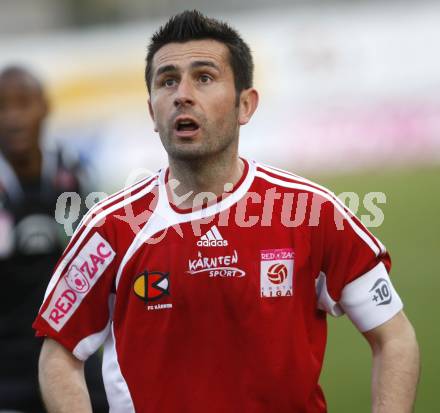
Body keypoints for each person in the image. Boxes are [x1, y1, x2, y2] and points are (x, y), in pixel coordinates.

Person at [33, 11, 420, 413]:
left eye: (204, 77)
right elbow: (60, 352)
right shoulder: (109, 228)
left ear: (245, 105)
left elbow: (394, 337)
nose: (182, 94)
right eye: (168, 81)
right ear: (152, 112)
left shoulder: (313, 213)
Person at [0, 66, 108, 412]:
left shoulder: (73, 170)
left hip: (70, 349)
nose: (13, 117)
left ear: (45, 107)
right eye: (2, 107)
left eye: (23, 104)